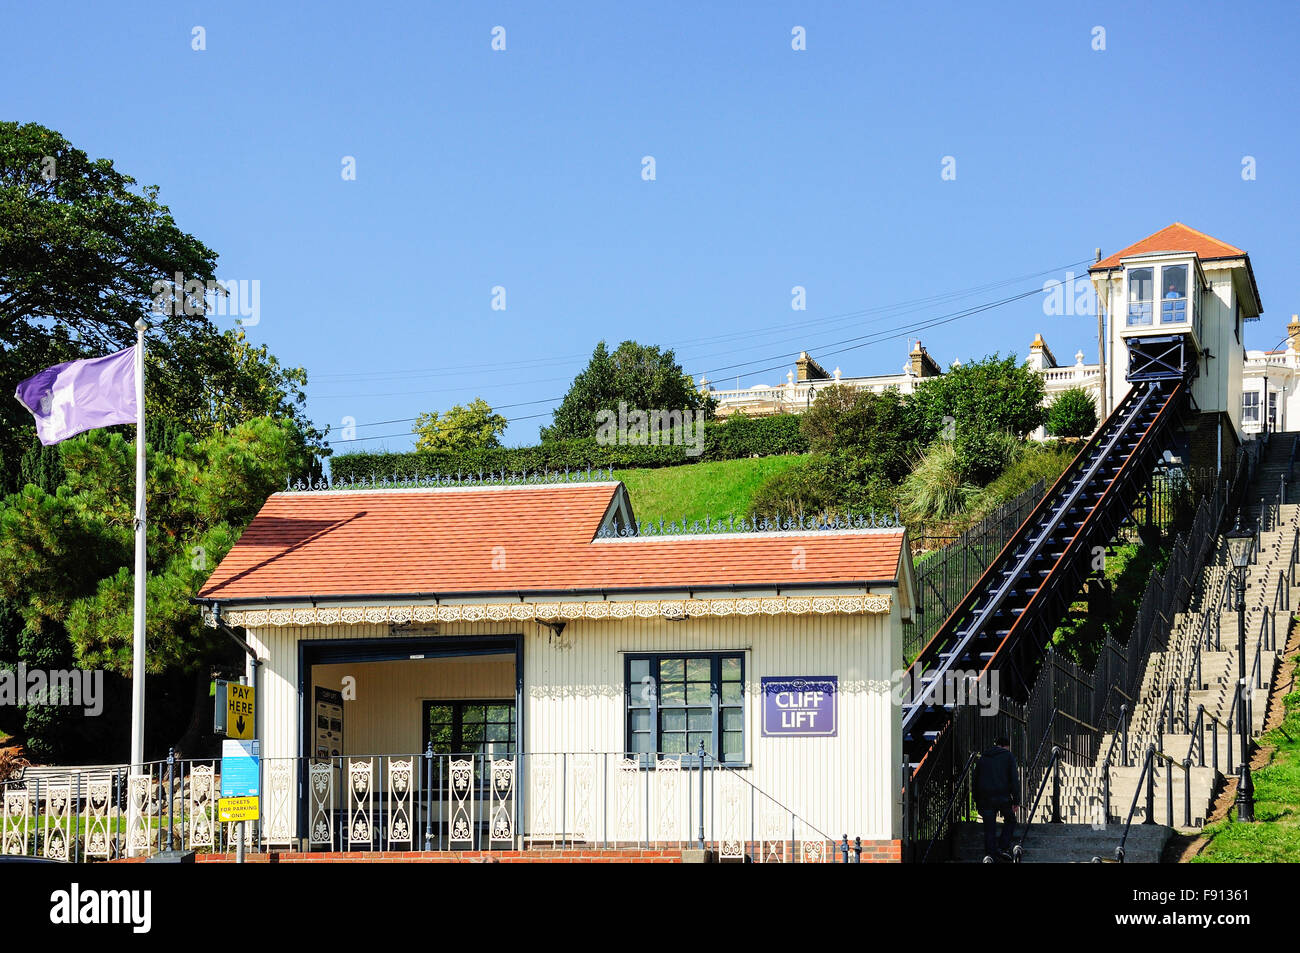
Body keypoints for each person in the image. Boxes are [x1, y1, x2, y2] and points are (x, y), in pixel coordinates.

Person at [974, 736, 1019, 861]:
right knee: (1010, 820)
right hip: (1003, 797)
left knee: (989, 828)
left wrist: (977, 802)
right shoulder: (1008, 756)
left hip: (985, 798)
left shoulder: (983, 757)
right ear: (1005, 746)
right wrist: (1016, 800)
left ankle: (990, 856)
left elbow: (975, 780)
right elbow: (1014, 780)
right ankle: (1002, 847)